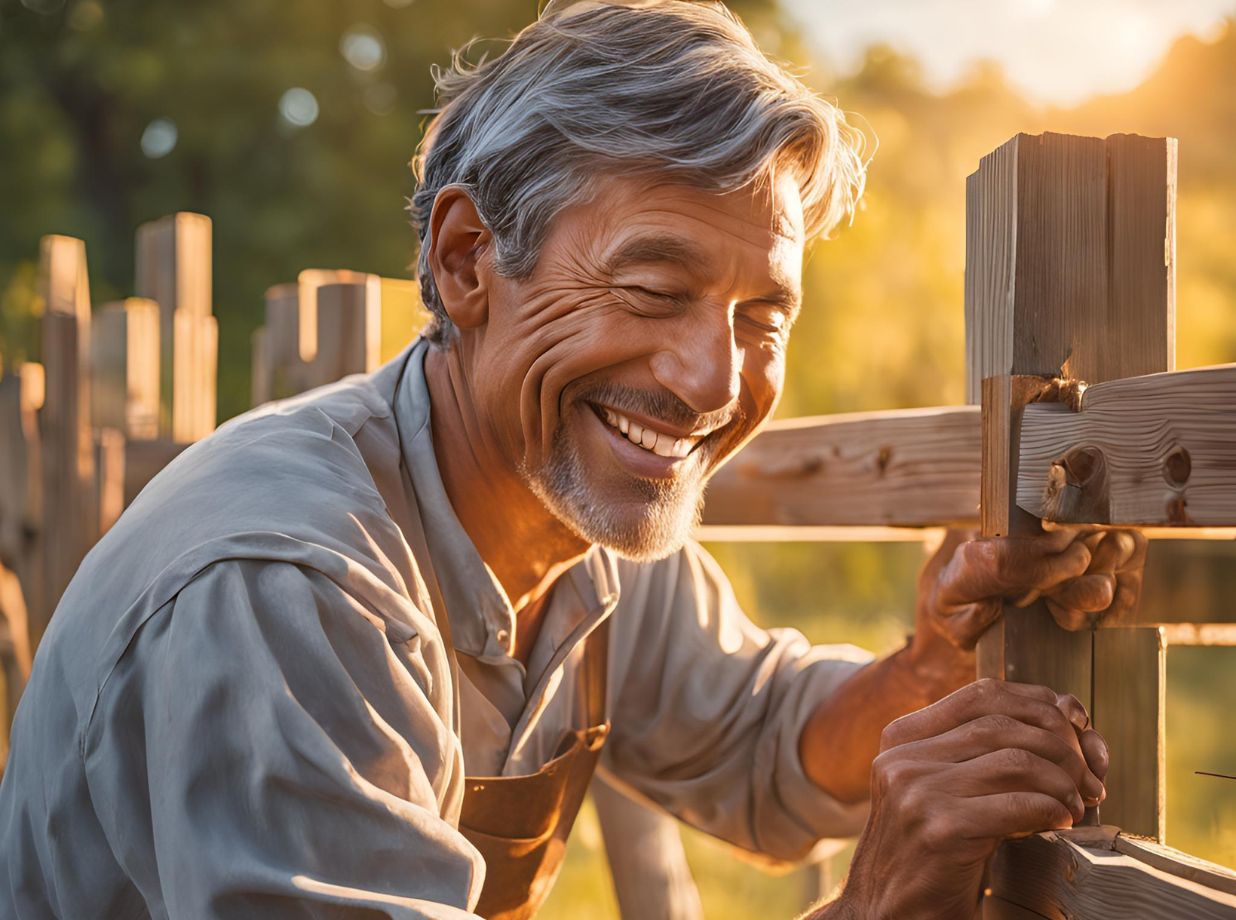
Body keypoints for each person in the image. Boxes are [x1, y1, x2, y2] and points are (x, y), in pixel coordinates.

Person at [0, 2, 1146, 918]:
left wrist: (932, 665)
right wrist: (876, 907)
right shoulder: (286, 590)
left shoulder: (578, 516)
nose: (712, 379)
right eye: (654, 290)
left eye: (762, 316)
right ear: (465, 262)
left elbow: (759, 739)